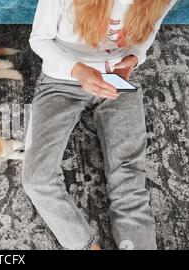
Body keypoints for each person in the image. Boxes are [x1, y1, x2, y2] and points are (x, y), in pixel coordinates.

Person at [24, 0, 177, 250]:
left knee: (129, 176)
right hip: (61, 81)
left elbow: (147, 35)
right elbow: (39, 39)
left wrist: (133, 60)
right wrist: (78, 71)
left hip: (118, 81)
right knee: (36, 179)